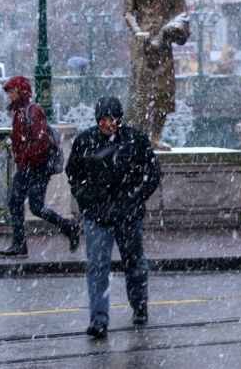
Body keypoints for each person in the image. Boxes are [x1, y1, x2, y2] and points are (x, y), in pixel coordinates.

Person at [65, 96, 161, 339]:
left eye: (112, 119)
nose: (108, 124)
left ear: (119, 118)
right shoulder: (85, 141)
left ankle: (139, 306)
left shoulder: (135, 139)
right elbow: (73, 173)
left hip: (127, 214)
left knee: (134, 262)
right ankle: (98, 320)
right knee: (98, 267)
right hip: (98, 216)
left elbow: (152, 171)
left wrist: (135, 197)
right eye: (104, 120)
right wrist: (88, 197)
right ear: (97, 120)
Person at [0, 75, 79, 258]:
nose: (10, 96)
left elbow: (41, 141)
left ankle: (69, 227)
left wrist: (26, 157)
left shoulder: (33, 111)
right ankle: (19, 245)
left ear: (21, 92)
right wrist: (21, 159)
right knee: (15, 203)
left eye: (12, 92)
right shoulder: (20, 112)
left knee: (35, 207)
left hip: (37, 167)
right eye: (9, 93)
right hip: (26, 167)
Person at [123, 0, 190, 151]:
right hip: (142, 42)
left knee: (164, 89)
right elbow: (127, 12)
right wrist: (137, 31)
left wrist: (170, 29)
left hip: (163, 41)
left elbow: (182, 13)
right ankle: (139, 137)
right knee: (142, 90)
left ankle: (155, 136)